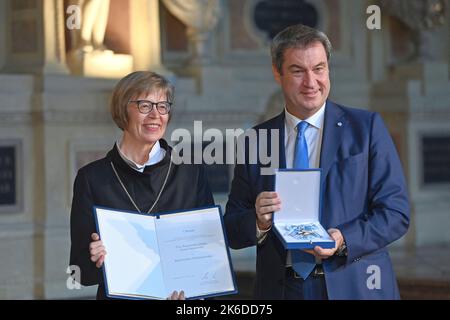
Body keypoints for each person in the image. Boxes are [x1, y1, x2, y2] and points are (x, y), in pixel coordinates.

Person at [224, 24, 410, 300]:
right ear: (278, 73)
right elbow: (232, 229)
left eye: (319, 68)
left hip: (355, 286)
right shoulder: (255, 140)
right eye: (298, 71)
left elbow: (396, 213)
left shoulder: (367, 128)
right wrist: (259, 221)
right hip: (282, 290)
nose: (311, 82)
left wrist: (343, 239)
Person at [69, 71, 214, 300]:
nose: (156, 114)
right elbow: (77, 274)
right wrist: (93, 258)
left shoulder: (190, 172)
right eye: (145, 105)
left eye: (163, 106)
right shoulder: (92, 178)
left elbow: (208, 254)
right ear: (122, 110)